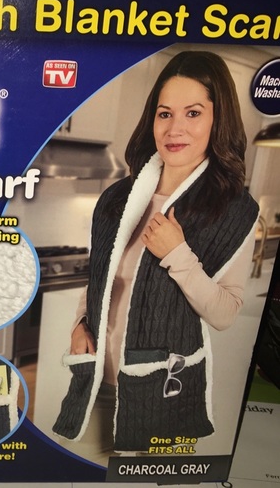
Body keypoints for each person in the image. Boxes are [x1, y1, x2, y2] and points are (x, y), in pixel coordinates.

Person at [52, 51, 259, 465]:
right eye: (165, 114)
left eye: (193, 113)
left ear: (218, 120)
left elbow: (225, 313)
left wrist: (178, 254)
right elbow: (99, 278)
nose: (174, 128)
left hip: (164, 389)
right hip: (96, 383)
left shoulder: (233, 210)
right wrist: (79, 324)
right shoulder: (118, 198)